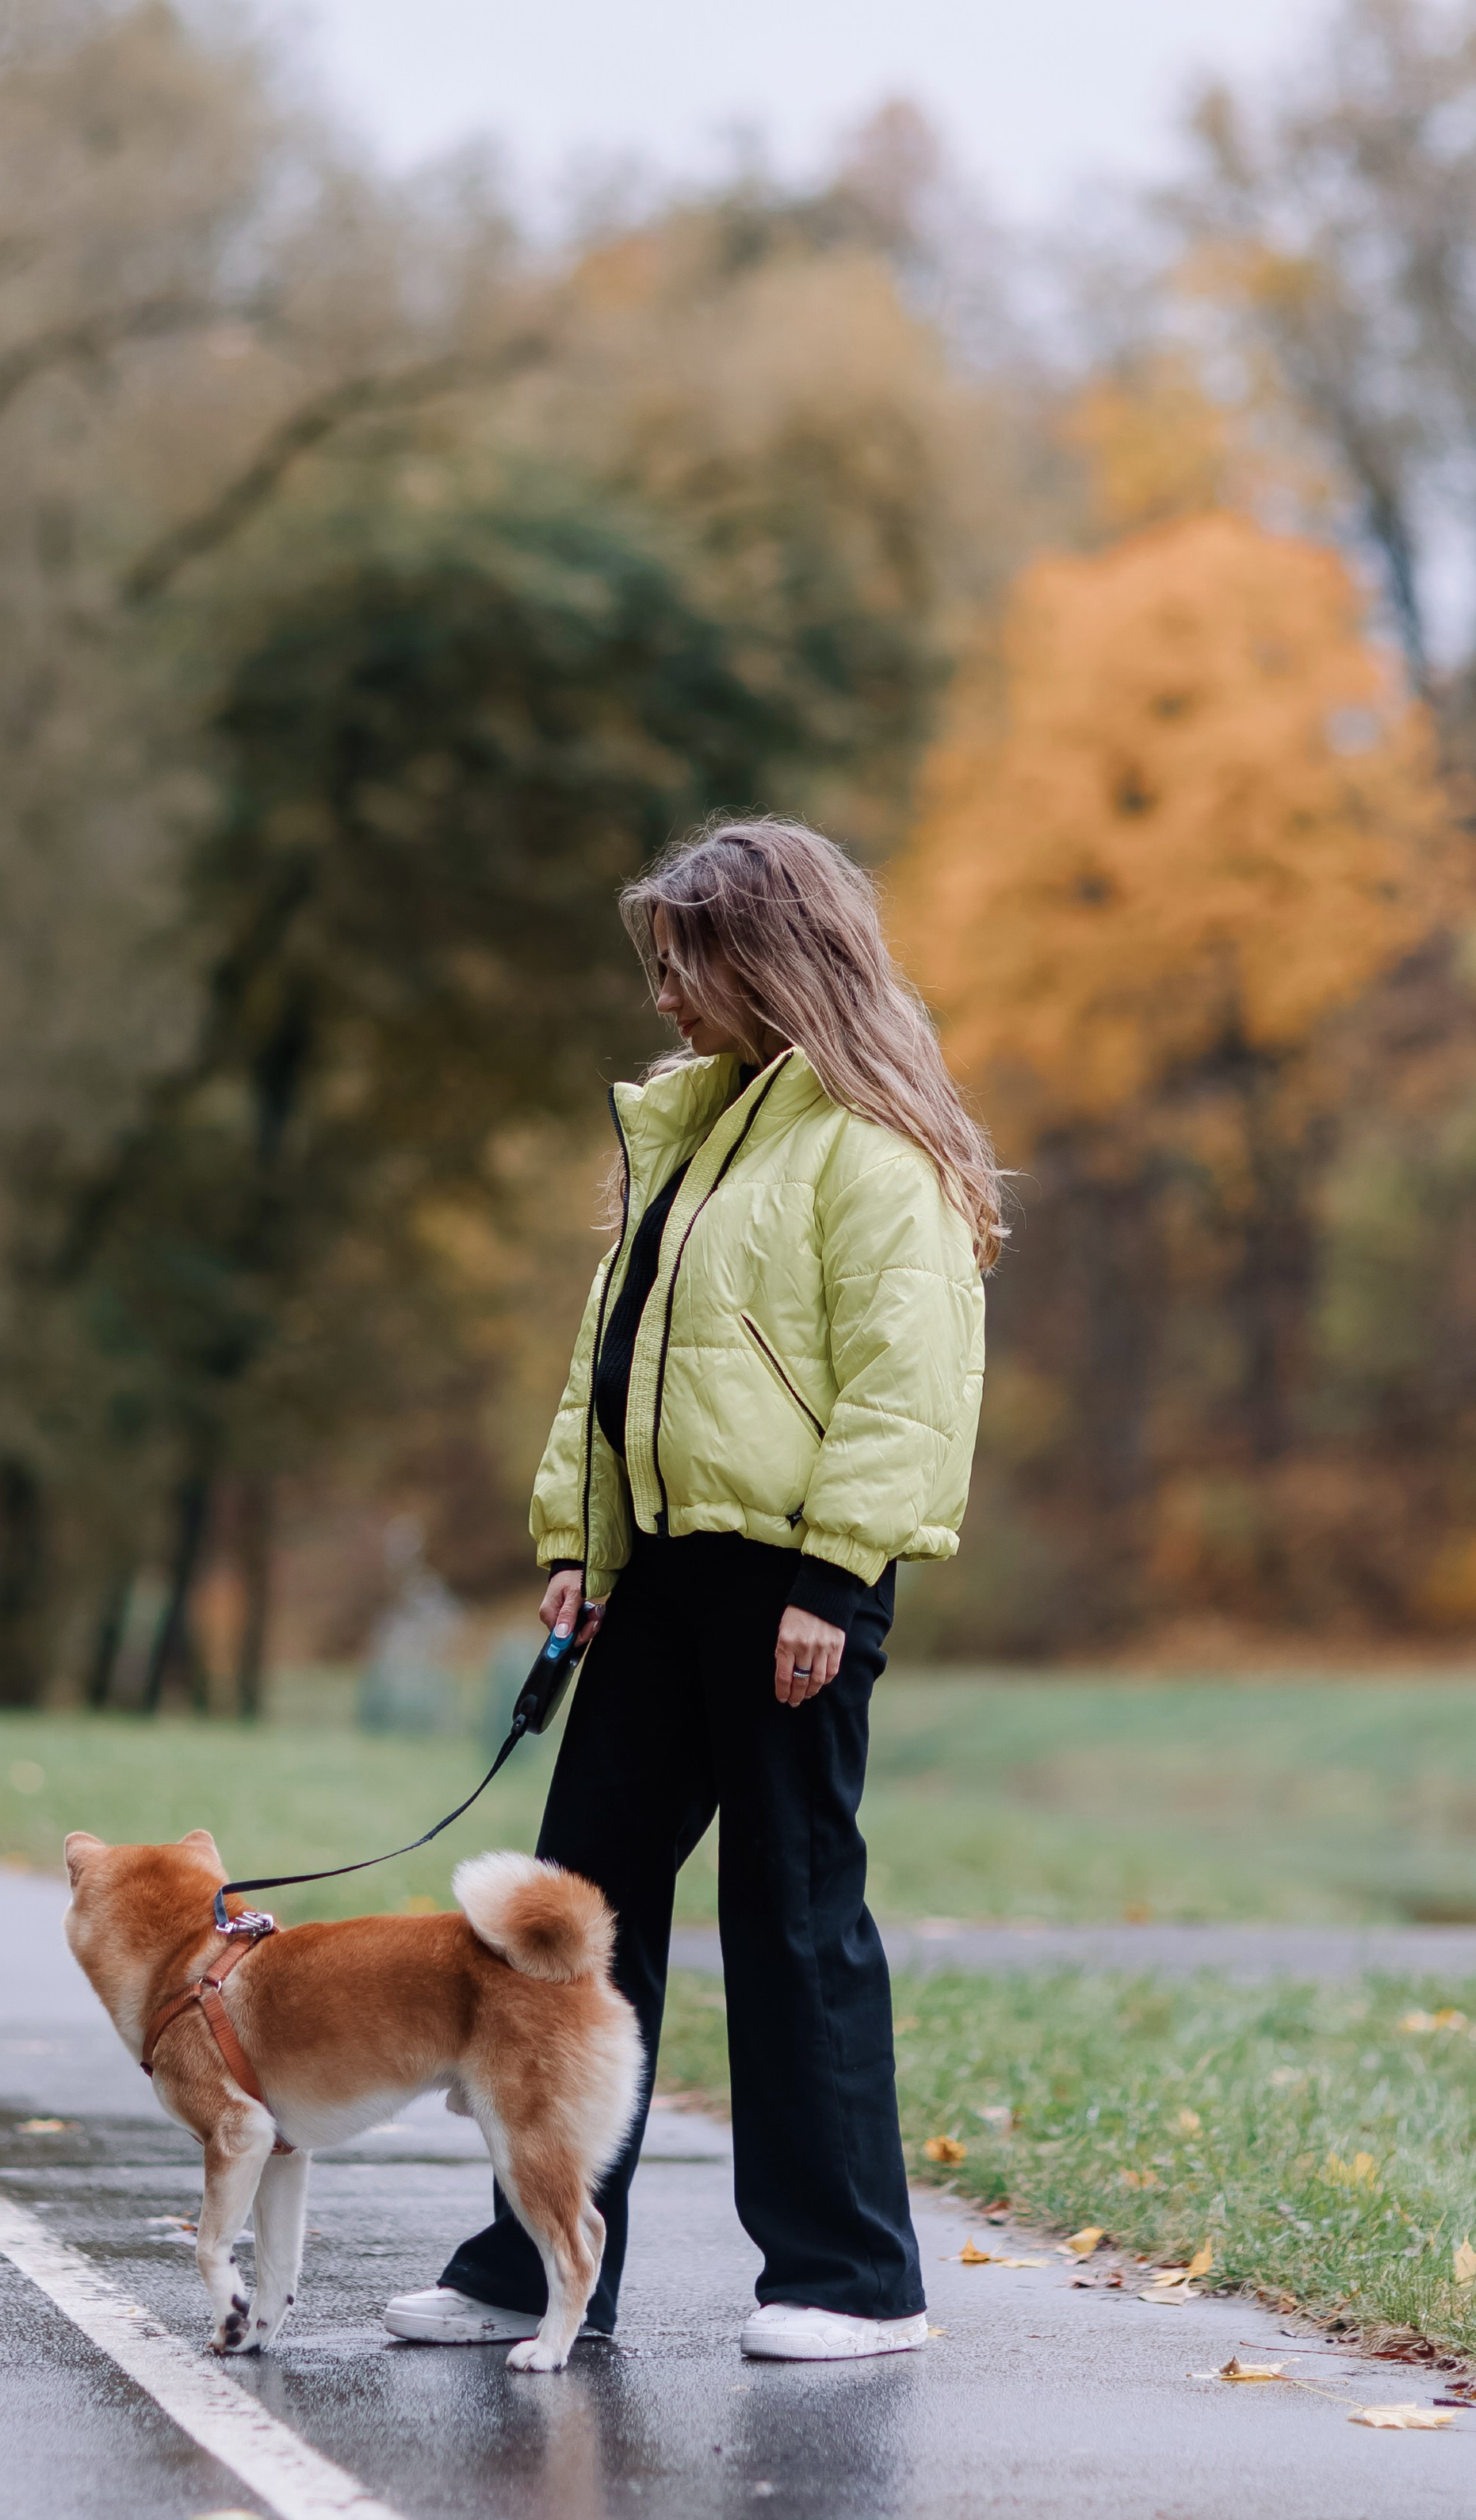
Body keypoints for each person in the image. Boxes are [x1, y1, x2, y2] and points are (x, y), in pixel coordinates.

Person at [384, 817, 998, 2362]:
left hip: (797, 1575)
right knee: (564, 1919)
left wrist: (834, 1573)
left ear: (770, 959)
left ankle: (851, 2278)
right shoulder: (689, 1133)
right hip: (659, 1571)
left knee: (789, 1920)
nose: (660, 994)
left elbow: (904, 1386)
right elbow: (616, 1373)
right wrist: (577, 1544)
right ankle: (542, 2265)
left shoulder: (865, 1146)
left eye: (684, 961)